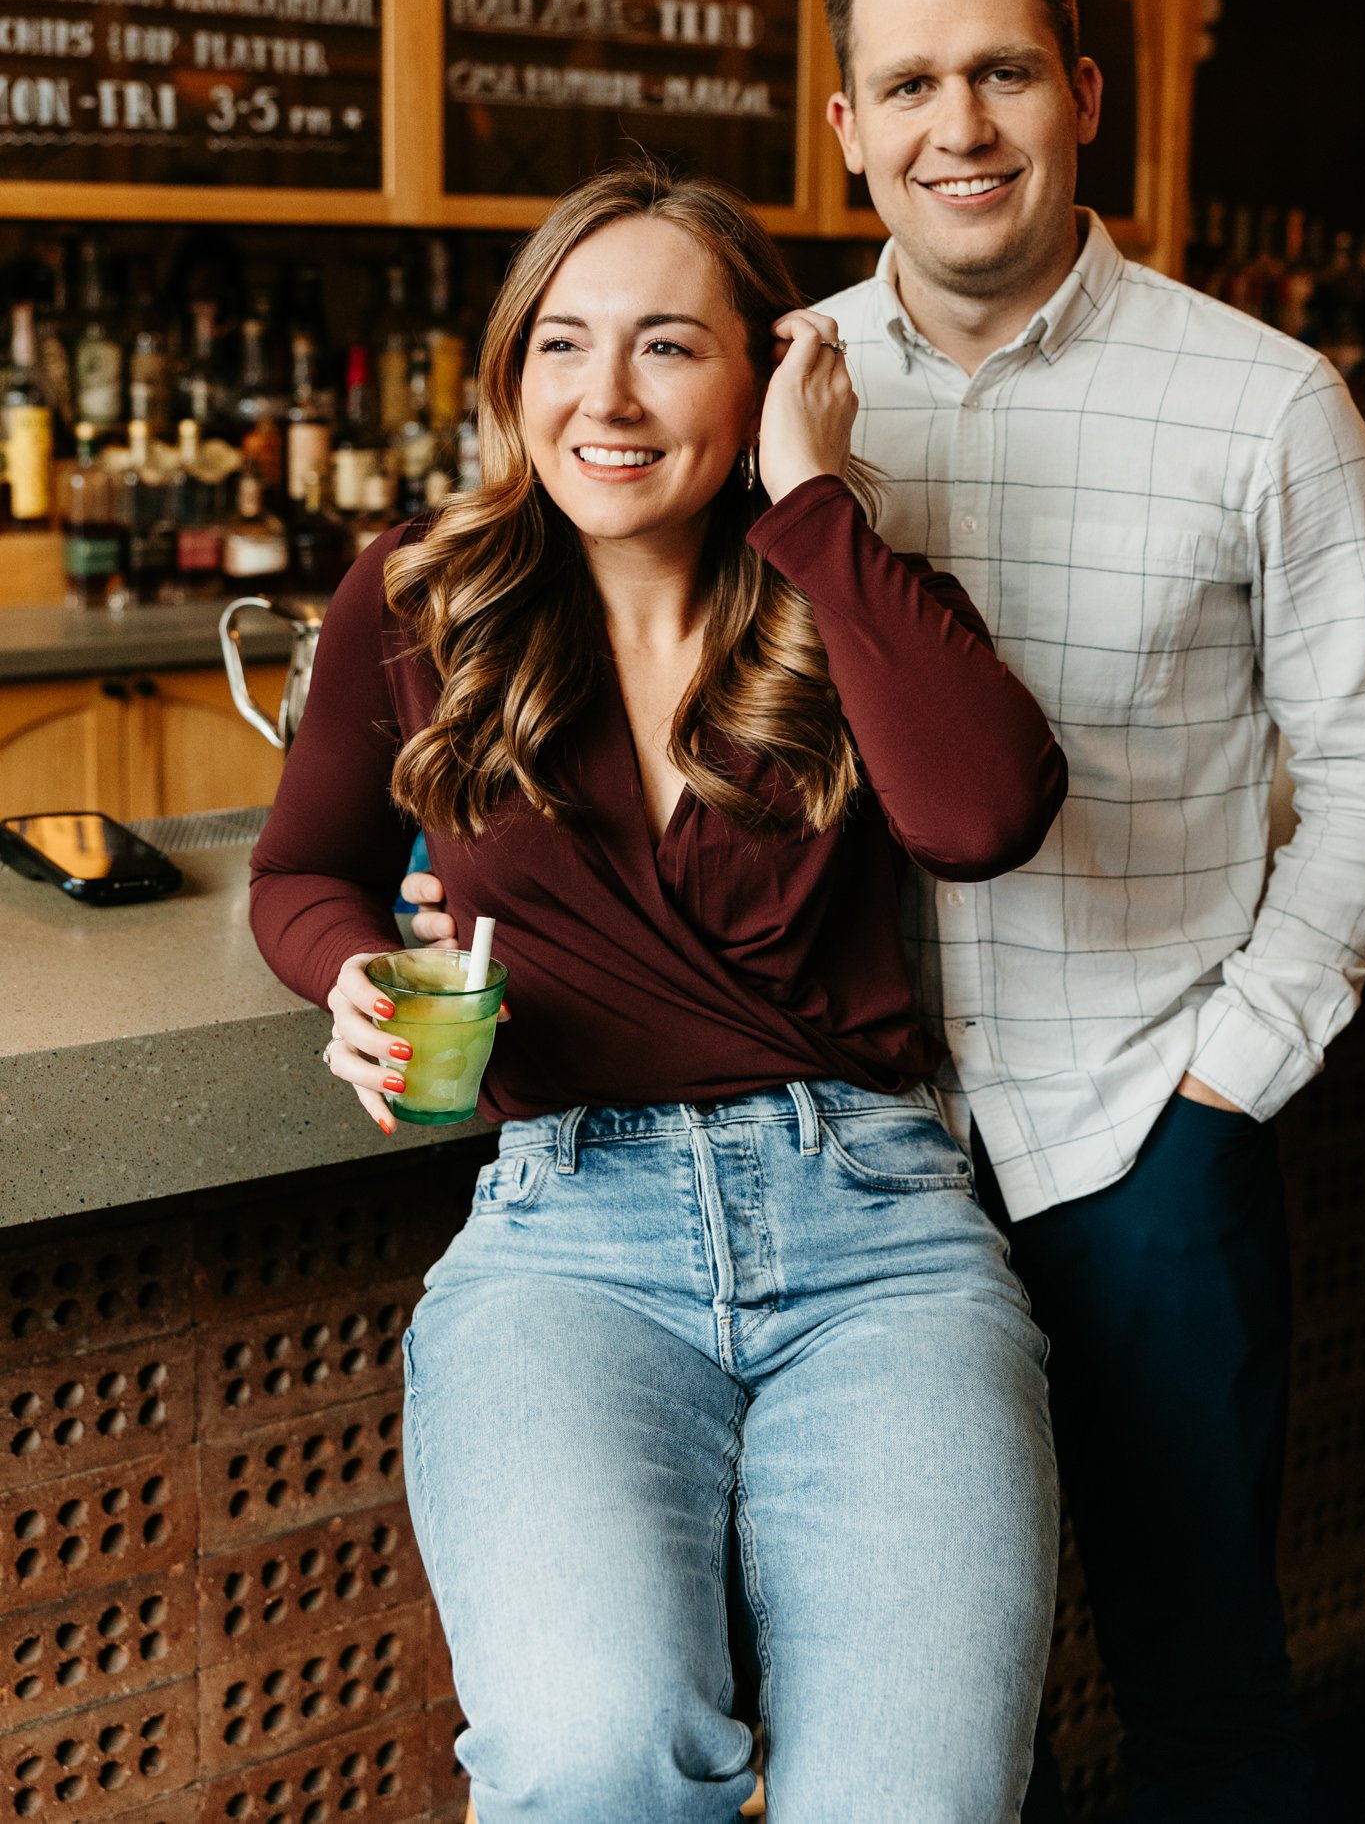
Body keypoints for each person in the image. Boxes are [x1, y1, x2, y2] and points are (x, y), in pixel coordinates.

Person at [400, 0, 1365, 1818]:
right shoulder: (738, 386)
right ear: (846, 129)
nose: (959, 121)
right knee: (938, 1736)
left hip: (1131, 1127)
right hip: (841, 1143)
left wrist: (1228, 1083)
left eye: (1005, 71)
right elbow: (597, 700)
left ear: (1082, 97)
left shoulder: (1265, 403)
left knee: (1199, 1669)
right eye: (909, 83)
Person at [248, 164, 1068, 1824]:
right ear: (513, 373)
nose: (603, 398)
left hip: (880, 1233)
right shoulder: (422, 598)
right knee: (591, 1758)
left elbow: (985, 819)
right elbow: (300, 871)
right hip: (570, 1234)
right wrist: (351, 979)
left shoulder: (850, 602)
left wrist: (812, 501)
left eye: (669, 347)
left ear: (761, 376)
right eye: (562, 343)